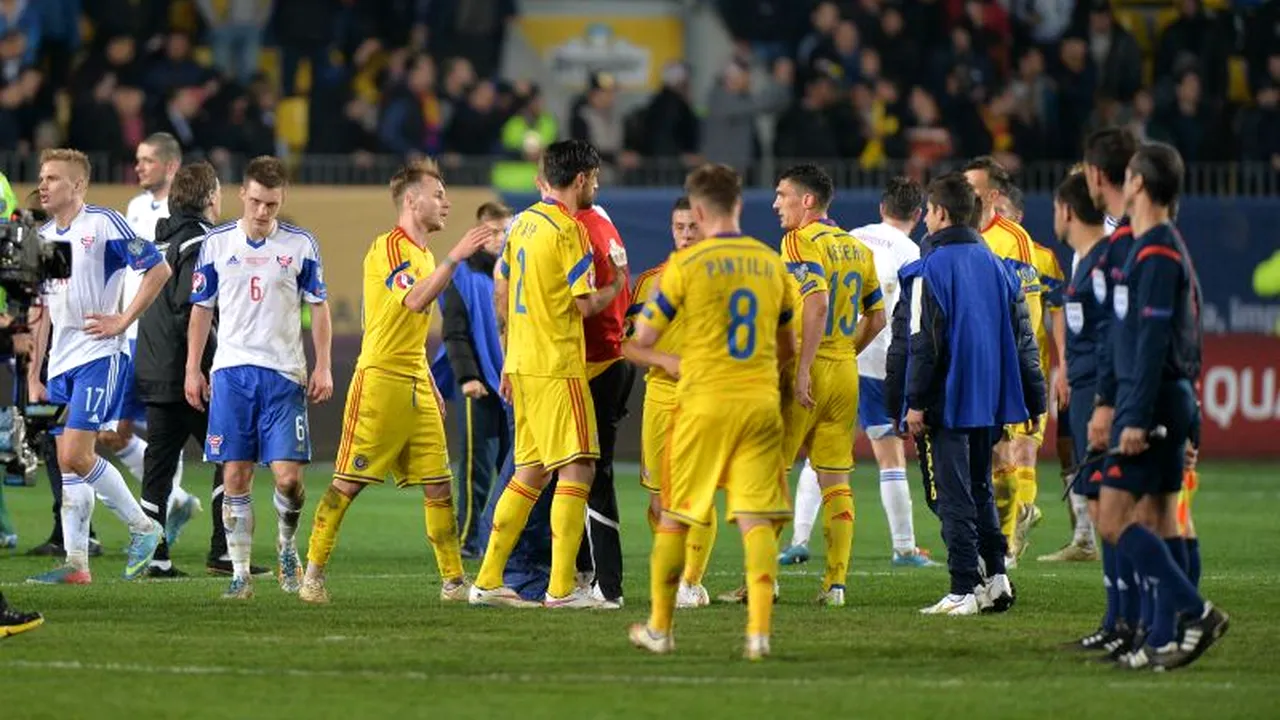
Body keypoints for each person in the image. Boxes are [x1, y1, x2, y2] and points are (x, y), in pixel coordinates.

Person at [298, 160, 491, 604]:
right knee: (348, 481)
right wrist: (456, 257)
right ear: (411, 200)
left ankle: (453, 581)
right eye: (438, 194)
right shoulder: (388, 246)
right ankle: (312, 575)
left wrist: (428, 380)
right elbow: (415, 300)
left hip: (415, 382)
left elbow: (413, 329)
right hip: (380, 379)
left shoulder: (422, 255)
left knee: (440, 484)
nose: (447, 202)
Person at [628, 163, 796, 660]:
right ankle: (758, 634)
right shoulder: (771, 264)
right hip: (760, 403)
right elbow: (787, 345)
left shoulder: (685, 267)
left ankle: (661, 628)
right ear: (739, 206)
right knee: (756, 519)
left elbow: (643, 339)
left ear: (698, 212)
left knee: (677, 517)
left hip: (702, 403)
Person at [469, 139, 626, 609]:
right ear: (580, 179)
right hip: (559, 365)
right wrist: (617, 281)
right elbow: (584, 304)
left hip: (523, 363)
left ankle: (488, 578)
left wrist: (509, 359)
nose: (595, 186)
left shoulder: (519, 226)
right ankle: (562, 589)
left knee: (530, 472)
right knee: (579, 466)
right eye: (594, 179)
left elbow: (507, 293)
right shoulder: (568, 229)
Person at [1093, 142, 1228, 671]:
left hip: (1153, 403)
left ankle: (1197, 613)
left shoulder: (1156, 254)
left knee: (1113, 517)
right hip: (1163, 400)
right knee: (1158, 518)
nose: (1121, 187)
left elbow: (1149, 343)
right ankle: (1165, 640)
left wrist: (1132, 416)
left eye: (1127, 178)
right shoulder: (1152, 246)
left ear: (1139, 185)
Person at [185, 155, 333, 600]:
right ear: (241, 196)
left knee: (289, 478)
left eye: (271, 204)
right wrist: (194, 367)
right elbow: (201, 309)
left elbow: (319, 306)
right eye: (255, 202)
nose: (262, 212)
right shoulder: (214, 244)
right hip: (231, 373)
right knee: (235, 475)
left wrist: (322, 364)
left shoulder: (301, 245)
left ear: (280, 199)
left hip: (284, 375)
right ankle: (241, 574)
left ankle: (288, 546)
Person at [902, 173, 1044, 616]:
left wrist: (915, 401)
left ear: (941, 213)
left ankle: (963, 587)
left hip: (949, 395)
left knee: (952, 493)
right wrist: (1035, 399)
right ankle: (997, 577)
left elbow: (925, 344)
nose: (925, 217)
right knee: (981, 487)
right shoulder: (999, 267)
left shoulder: (928, 270)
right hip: (992, 395)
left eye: (928, 210)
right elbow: (1025, 339)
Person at [27, 148, 170, 584]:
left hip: (99, 356)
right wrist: (35, 373)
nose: (44, 184)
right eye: (42, 176)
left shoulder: (103, 224)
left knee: (75, 454)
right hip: (61, 365)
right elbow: (44, 310)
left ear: (78, 185)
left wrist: (124, 320)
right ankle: (76, 564)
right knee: (67, 464)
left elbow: (158, 268)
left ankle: (144, 527)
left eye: (53, 177)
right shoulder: (45, 236)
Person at [781, 176, 937, 570]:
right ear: (917, 216)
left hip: (825, 355)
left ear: (882, 208)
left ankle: (797, 541)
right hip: (876, 361)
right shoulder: (912, 251)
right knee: (888, 458)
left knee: (816, 455)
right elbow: (898, 314)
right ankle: (903, 548)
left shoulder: (851, 236)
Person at [134, 161, 265, 578]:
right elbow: (197, 307)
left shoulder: (163, 241)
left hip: (156, 367)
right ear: (211, 198)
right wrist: (202, 366)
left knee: (157, 468)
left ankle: (154, 556)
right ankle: (222, 551)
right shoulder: (202, 243)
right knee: (232, 456)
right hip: (194, 372)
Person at [772, 163, 885, 606]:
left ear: (807, 201)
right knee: (835, 480)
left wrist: (801, 369)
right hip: (843, 369)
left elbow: (815, 306)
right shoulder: (856, 248)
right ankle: (835, 584)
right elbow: (876, 316)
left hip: (809, 367)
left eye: (783, 194)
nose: (777, 203)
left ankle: (764, 580)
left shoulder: (799, 241)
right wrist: (845, 354)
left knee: (771, 473)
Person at [963, 157, 1065, 564]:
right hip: (972, 370)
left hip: (1012, 369)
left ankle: (1005, 546)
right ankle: (1006, 526)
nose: (966, 193)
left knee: (1015, 452)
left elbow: (1034, 311)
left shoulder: (1015, 239)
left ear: (993, 195)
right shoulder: (958, 235)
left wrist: (1014, 360)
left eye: (973, 187)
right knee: (988, 459)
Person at [1052, 171, 1128, 650]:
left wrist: (1103, 401)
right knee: (1105, 513)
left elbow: (1110, 337)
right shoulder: (1085, 261)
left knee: (1117, 514)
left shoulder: (1102, 262)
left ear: (1065, 211)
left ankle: (1177, 610)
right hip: (1083, 390)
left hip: (1098, 397)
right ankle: (1117, 620)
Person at [623, 196, 708, 608]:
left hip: (707, 398)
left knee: (698, 494)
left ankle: (690, 581)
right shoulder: (650, 282)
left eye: (693, 226)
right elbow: (626, 346)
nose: (687, 234)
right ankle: (674, 572)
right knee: (658, 501)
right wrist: (664, 360)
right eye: (680, 227)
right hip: (660, 396)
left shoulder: (725, 279)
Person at [124, 133, 202, 558]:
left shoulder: (186, 218)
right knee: (116, 435)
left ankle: (160, 518)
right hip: (131, 334)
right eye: (138, 159)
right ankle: (173, 502)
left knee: (162, 431)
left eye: (148, 160)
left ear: (171, 167)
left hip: (162, 338)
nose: (139, 167)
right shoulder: (136, 209)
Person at [571, 198, 635, 608]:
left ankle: (604, 584)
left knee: (586, 475)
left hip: (593, 365)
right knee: (581, 474)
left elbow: (585, 304)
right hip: (610, 361)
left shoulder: (573, 228)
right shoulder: (604, 222)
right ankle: (586, 575)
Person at [442, 202, 513, 560]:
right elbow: (455, 333)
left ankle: (507, 535)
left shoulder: (518, 272)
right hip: (481, 385)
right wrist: (468, 377)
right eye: (493, 231)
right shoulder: (462, 277)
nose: (500, 238)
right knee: (477, 468)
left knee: (514, 467)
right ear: (479, 233)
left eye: (505, 230)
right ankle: (469, 539)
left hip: (515, 385)